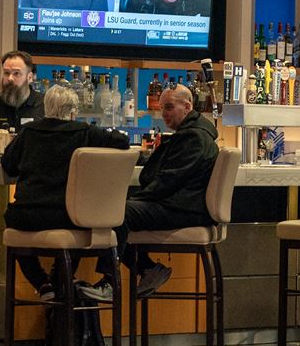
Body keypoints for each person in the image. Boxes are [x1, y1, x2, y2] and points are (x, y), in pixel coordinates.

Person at [82, 84, 217, 302]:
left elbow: (168, 181)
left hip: (182, 208)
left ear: (187, 106)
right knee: (117, 211)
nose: (164, 113)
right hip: (186, 205)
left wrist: (137, 198)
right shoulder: (194, 134)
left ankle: (110, 283)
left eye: (169, 107)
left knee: (118, 213)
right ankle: (147, 269)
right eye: (162, 108)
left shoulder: (193, 138)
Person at [1, 84, 129, 299]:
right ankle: (62, 279)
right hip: (68, 216)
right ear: (73, 112)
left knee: (11, 220)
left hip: (26, 217)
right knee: (85, 218)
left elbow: (9, 165)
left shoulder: (28, 132)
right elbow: (122, 142)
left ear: (46, 108)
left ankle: (43, 284)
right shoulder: (84, 132)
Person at [0, 51, 44, 145]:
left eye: (16, 73)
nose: (10, 78)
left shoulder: (45, 106)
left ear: (29, 77)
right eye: (6, 73)